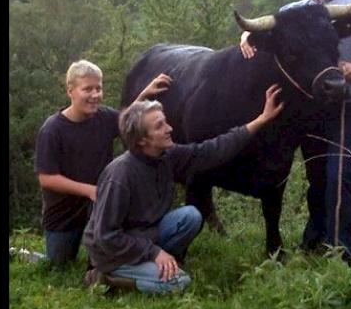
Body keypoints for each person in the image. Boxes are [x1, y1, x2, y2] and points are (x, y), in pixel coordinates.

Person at [240, 0, 351, 264]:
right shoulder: (297, 11)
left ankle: (344, 252)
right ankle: (314, 240)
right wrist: (246, 37)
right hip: (313, 108)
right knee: (317, 176)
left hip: (348, 104)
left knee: (339, 176)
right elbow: (263, 28)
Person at [82, 84, 285, 294]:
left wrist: (261, 119)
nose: (169, 129)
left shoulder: (166, 156)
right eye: (160, 126)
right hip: (112, 253)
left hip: (144, 235)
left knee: (191, 216)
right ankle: (105, 278)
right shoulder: (120, 175)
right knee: (178, 282)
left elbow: (213, 149)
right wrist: (153, 253)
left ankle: (163, 264)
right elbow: (105, 236)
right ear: (142, 139)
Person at [34, 59, 172, 267]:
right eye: (87, 89)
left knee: (101, 254)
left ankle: (103, 270)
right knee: (57, 265)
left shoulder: (104, 117)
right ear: (70, 91)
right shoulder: (52, 129)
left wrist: (145, 93)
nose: (95, 95)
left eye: (98, 88)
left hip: (101, 205)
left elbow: (130, 123)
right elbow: (47, 178)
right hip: (64, 214)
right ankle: (23, 253)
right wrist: (89, 190)